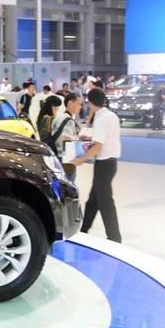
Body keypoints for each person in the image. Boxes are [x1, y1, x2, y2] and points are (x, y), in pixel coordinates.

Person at [71, 89, 122, 243]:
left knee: (105, 201)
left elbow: (98, 146)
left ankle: (114, 237)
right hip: (111, 163)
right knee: (94, 199)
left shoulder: (101, 119)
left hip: (103, 164)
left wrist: (81, 159)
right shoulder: (111, 116)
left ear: (90, 102)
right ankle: (84, 230)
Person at [50, 93, 82, 181]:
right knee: (68, 185)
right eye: (79, 104)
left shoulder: (60, 117)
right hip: (66, 160)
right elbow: (64, 141)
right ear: (70, 103)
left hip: (57, 157)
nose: (80, 107)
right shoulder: (68, 120)